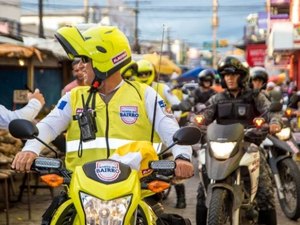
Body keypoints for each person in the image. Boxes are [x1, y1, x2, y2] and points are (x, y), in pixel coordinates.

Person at [11, 25, 193, 225]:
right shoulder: (74, 97)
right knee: (52, 220)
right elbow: (48, 126)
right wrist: (30, 150)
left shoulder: (145, 94)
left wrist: (182, 157)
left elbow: (171, 131)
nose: (80, 67)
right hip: (81, 191)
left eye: (86, 61)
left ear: (103, 62)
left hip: (136, 191)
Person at [195, 56, 281, 225]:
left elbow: (270, 111)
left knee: (265, 188)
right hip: (221, 145)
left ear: (243, 77)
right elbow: (204, 114)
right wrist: (195, 122)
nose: (230, 78)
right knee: (202, 187)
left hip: (248, 145)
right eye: (226, 75)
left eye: (234, 75)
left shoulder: (255, 96)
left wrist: (274, 123)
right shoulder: (217, 98)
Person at [135, 58, 188, 209]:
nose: (144, 75)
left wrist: (177, 108)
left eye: (147, 73)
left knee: (173, 163)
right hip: (142, 138)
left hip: (162, 137)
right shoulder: (133, 90)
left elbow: (175, 101)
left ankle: (181, 197)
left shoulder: (162, 88)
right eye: (141, 73)